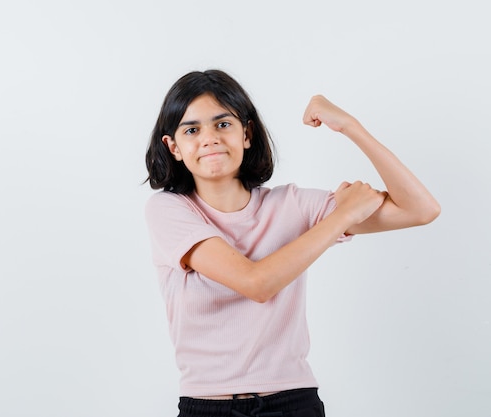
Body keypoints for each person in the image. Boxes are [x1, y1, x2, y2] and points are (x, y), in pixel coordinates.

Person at [143, 69, 440, 417]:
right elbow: (256, 283)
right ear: (173, 147)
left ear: (247, 133)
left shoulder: (292, 205)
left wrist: (350, 126)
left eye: (223, 124)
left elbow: (421, 209)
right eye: (192, 129)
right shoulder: (169, 210)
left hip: (293, 403)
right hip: (208, 407)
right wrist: (341, 218)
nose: (209, 138)